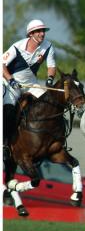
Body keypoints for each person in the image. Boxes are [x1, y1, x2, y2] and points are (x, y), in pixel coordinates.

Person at [2, 19, 56, 160]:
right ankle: (5, 145)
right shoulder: (17, 46)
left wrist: (50, 79)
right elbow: (2, 65)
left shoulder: (48, 47)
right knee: (8, 110)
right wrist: (11, 80)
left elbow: (51, 66)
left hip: (31, 84)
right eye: (38, 31)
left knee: (50, 103)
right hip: (10, 83)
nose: (42, 34)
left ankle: (50, 139)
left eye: (43, 31)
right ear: (31, 34)